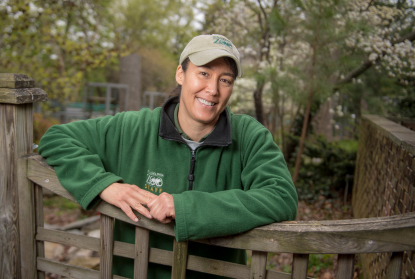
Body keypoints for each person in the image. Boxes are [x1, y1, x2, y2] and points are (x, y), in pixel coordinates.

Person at [39, 34, 298, 279]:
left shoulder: (249, 136)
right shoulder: (132, 128)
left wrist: (186, 208)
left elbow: (281, 196)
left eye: (225, 80)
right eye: (204, 73)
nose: (213, 89)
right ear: (181, 74)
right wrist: (105, 186)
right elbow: (56, 139)